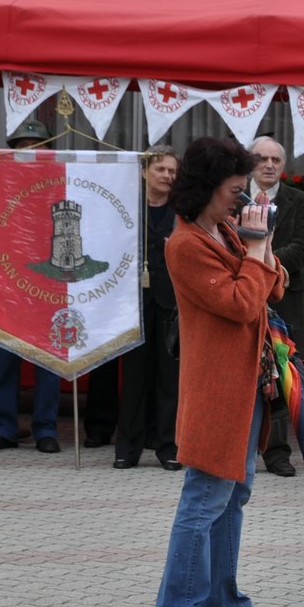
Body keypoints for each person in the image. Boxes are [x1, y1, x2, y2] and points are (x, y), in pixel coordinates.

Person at [152, 137, 285, 607]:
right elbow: (240, 304)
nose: (241, 197)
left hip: (244, 382)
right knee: (205, 496)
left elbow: (276, 286)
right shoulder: (185, 244)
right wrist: (255, 252)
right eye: (234, 188)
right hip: (215, 388)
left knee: (234, 494)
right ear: (207, 188)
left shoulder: (225, 229)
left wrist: (262, 245)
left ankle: (221, 598)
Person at [249, 136, 304, 478]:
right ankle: (238, 448)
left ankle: (277, 454)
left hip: (283, 301)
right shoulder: (231, 199)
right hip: (241, 299)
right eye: (262, 158)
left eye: (276, 159)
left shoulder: (301, 201)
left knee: (279, 377)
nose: (269, 164)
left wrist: (266, 264)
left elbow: (303, 246)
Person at [115, 145, 182, 471]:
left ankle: (168, 447)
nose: (167, 176)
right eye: (161, 170)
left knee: (170, 380)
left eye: (172, 171)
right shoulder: (124, 208)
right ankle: (127, 448)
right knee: (134, 379)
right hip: (134, 304)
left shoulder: (184, 212)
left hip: (171, 304)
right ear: (144, 172)